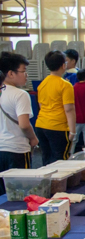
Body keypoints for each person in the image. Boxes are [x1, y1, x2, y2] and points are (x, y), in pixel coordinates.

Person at [0, 52, 38, 194]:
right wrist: (33, 139)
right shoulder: (20, 94)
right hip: (17, 150)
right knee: (19, 194)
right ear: (10, 73)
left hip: (1, 149)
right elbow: (24, 124)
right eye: (23, 71)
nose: (26, 75)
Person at [36, 51, 76, 165]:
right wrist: (73, 131)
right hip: (58, 127)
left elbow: (41, 106)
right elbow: (69, 109)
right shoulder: (65, 85)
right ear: (63, 65)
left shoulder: (42, 84)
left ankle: (47, 182)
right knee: (60, 159)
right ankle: (58, 183)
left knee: (46, 158)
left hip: (41, 125)